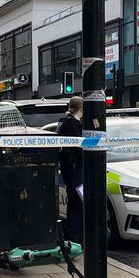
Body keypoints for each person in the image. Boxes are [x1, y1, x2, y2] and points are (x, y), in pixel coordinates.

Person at [56, 95, 84, 243]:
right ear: (81, 108)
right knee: (76, 202)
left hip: (71, 169)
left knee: (76, 201)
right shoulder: (72, 124)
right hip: (74, 169)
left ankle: (75, 234)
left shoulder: (66, 122)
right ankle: (75, 236)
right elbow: (77, 148)